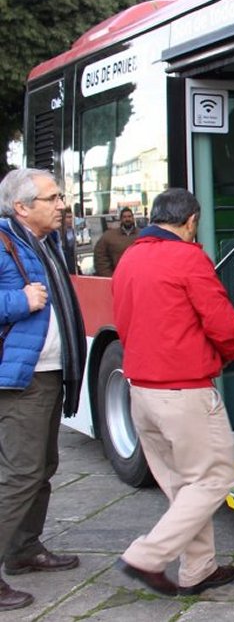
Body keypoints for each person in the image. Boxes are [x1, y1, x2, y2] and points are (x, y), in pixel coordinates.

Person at [111, 188, 234, 597]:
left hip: (141, 393)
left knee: (183, 487)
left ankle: (198, 568)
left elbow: (124, 319)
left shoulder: (130, 256)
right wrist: (228, 355)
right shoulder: (188, 258)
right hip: (184, 393)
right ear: (190, 222)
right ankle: (147, 556)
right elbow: (223, 323)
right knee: (214, 478)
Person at [0, 168, 86, 612]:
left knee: (42, 467)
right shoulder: (2, 241)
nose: (62, 205)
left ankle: (23, 550)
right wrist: (19, 301)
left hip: (49, 372)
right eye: (52, 198)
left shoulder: (46, 242)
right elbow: (19, 301)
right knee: (19, 474)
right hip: (22, 378)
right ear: (21, 207)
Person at [93, 206, 138, 276]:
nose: (127, 219)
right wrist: (109, 276)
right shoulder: (109, 236)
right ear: (121, 219)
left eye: (129, 216)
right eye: (124, 217)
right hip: (117, 277)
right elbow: (100, 257)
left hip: (138, 277)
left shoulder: (142, 235)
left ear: (133, 218)